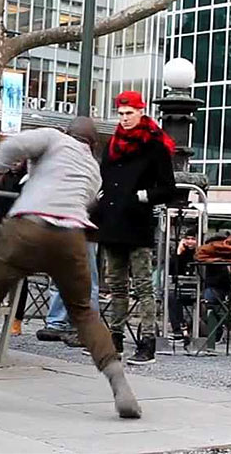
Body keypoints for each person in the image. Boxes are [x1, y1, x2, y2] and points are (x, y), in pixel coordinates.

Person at [0, 117, 142, 419]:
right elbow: (87, 204)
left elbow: (10, 147)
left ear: (68, 133)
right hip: (71, 239)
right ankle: (121, 387)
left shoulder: (53, 138)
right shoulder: (94, 170)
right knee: (83, 313)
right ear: (93, 145)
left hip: (26, 228)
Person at [94, 91, 176, 366]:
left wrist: (143, 196)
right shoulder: (113, 143)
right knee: (116, 284)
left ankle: (147, 343)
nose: (125, 118)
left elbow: (168, 188)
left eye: (129, 113)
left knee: (143, 286)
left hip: (137, 222)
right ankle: (114, 339)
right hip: (113, 220)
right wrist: (103, 195)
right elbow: (105, 175)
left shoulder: (154, 144)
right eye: (121, 113)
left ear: (141, 111)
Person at [0, 161, 29, 337]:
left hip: (21, 234)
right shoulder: (2, 177)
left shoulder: (31, 179)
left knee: (19, 280)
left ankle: (16, 320)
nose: (15, 162)